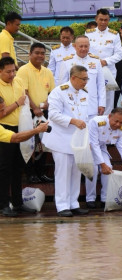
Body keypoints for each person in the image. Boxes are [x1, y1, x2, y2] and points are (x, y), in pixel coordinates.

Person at [42, 65, 90, 217]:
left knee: (76, 172)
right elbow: (54, 115)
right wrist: (73, 121)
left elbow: (86, 115)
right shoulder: (59, 92)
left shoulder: (84, 93)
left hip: (77, 140)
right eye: (84, 79)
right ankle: (62, 205)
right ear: (73, 78)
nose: (86, 82)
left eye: (87, 79)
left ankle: (73, 203)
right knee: (63, 172)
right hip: (60, 139)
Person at [0, 57, 37, 217]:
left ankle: (18, 203)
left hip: (20, 128)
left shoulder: (18, 82)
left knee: (18, 168)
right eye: (8, 72)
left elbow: (25, 104)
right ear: (0, 71)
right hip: (4, 130)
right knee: (4, 169)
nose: (12, 74)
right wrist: (17, 103)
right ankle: (3, 205)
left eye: (13, 70)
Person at [16, 42, 55, 184]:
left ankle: (41, 172)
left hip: (44, 113)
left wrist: (47, 103)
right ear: (30, 54)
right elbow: (24, 92)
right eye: (37, 53)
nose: (40, 56)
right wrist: (35, 108)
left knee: (44, 144)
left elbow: (52, 92)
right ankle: (30, 173)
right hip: (29, 113)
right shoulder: (23, 70)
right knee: (29, 143)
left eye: (42, 53)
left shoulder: (47, 71)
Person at [86, 108, 122, 209]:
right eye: (116, 121)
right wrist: (102, 164)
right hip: (89, 147)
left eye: (121, 122)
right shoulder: (96, 122)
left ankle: (104, 198)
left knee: (109, 168)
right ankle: (90, 199)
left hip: (102, 147)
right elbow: (94, 144)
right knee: (92, 169)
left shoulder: (120, 129)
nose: (118, 124)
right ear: (109, 116)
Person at [85, 8, 122, 115]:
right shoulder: (88, 34)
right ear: (96, 19)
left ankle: (105, 126)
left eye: (106, 20)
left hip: (108, 73)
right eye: (101, 19)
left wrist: (105, 61)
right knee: (91, 97)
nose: (103, 22)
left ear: (109, 20)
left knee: (108, 101)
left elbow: (119, 54)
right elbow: (85, 50)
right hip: (92, 71)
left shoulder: (114, 35)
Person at [59, 36, 106, 120]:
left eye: (86, 46)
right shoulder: (67, 61)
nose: (83, 49)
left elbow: (101, 84)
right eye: (81, 46)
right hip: (73, 105)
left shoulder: (96, 61)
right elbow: (62, 85)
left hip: (91, 105)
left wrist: (102, 104)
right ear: (75, 46)